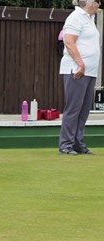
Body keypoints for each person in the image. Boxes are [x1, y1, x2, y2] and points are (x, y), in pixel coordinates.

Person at [59, 0, 101, 155]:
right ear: (90, 2)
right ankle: (66, 145)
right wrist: (80, 65)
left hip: (90, 71)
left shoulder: (89, 19)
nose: (99, 4)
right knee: (74, 108)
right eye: (97, 1)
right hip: (76, 70)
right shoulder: (75, 17)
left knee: (83, 110)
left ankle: (78, 142)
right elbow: (69, 42)